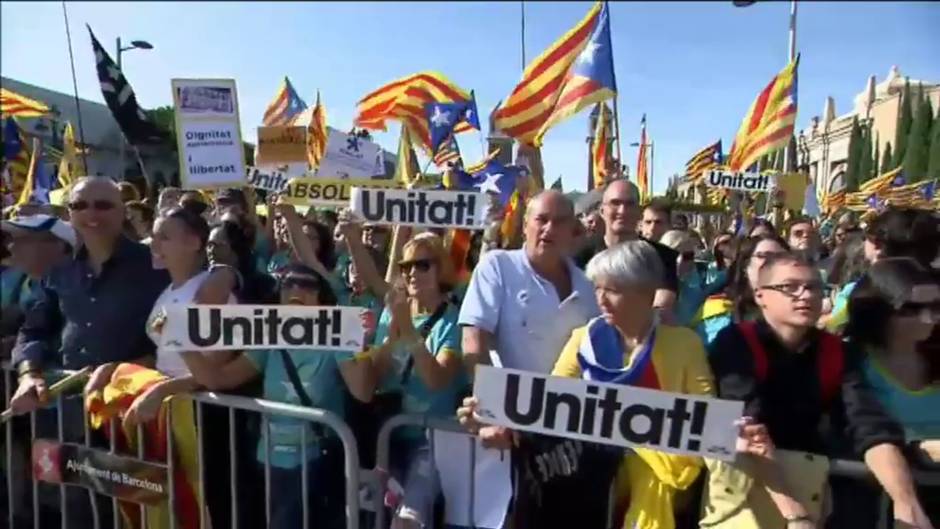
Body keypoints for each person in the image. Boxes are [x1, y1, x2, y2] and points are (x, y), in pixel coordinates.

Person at [458, 241, 715, 529]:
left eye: (613, 290)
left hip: (660, 491)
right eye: (597, 288)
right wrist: (496, 415)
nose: (601, 299)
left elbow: (707, 421)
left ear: (645, 293)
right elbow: (546, 405)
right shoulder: (585, 339)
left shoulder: (684, 344)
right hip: (587, 489)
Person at [705, 252, 934, 529]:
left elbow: (868, 426)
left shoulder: (837, 351)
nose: (805, 295)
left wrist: (906, 504)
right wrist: (796, 515)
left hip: (817, 495)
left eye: (813, 287)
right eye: (790, 287)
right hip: (748, 498)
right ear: (760, 295)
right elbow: (748, 432)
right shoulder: (734, 343)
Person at [173, 263, 374, 529]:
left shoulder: (336, 339)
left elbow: (363, 392)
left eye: (307, 285)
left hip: (316, 463)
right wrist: (180, 343)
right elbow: (217, 379)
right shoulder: (270, 339)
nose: (296, 290)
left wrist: (356, 345)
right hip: (270, 462)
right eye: (289, 283)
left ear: (321, 297)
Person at [367, 232, 467, 529]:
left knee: (408, 520)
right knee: (376, 517)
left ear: (441, 270)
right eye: (405, 265)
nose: (412, 272)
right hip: (388, 437)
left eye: (422, 265)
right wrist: (387, 339)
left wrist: (409, 333)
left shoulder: (454, 320)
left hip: (431, 443)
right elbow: (376, 376)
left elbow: (438, 379)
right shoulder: (392, 312)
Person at [573, 180, 680, 319]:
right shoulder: (580, 255)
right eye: (615, 203)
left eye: (630, 204)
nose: (622, 211)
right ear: (602, 211)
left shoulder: (662, 256)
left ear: (640, 212)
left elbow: (662, 306)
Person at [0, 215, 76, 354]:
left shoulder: (77, 288)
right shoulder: (11, 279)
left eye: (23, 240)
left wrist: (16, 346)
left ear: (59, 245)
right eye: (11, 239)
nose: (11, 247)